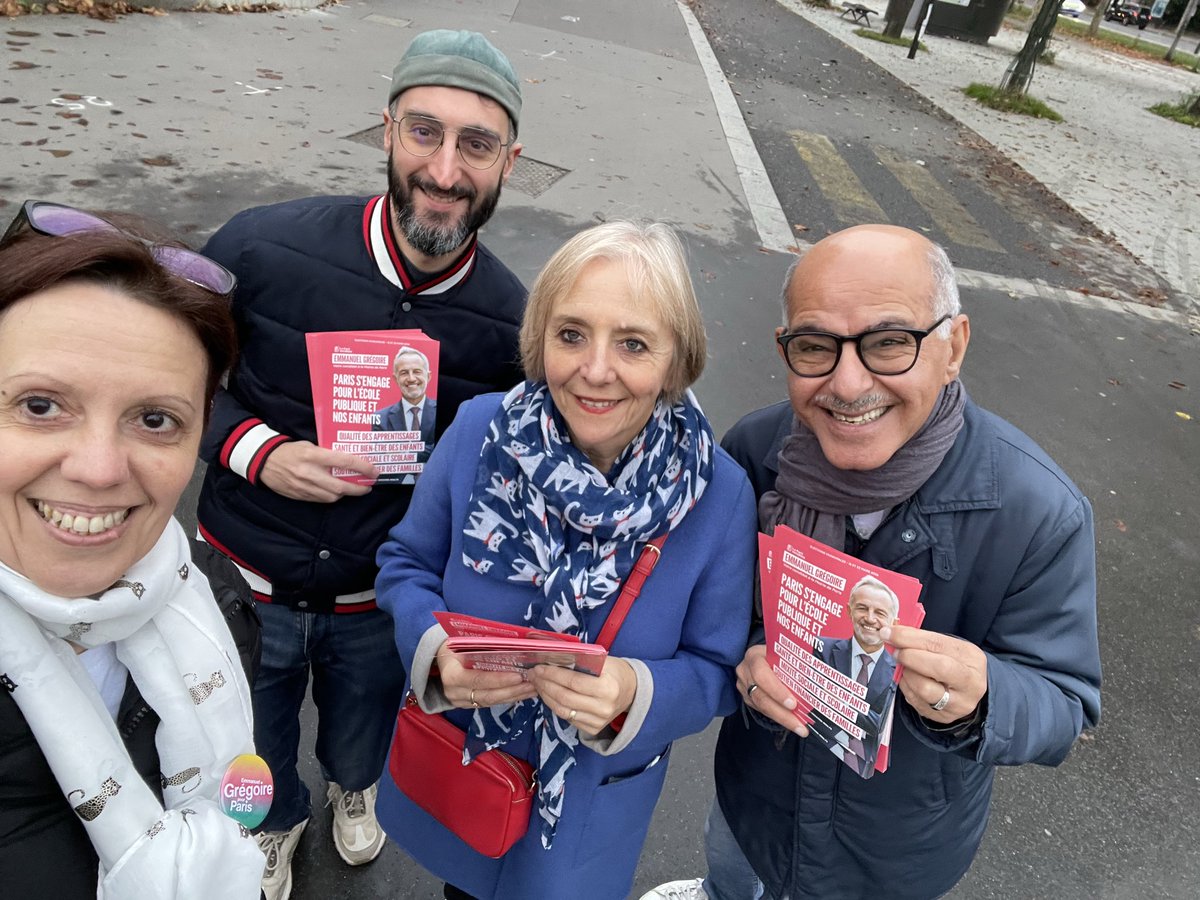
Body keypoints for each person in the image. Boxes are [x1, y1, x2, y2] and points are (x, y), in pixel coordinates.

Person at [644, 224, 1102, 900]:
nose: (848, 382)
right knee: (732, 873)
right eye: (815, 346)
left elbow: (1065, 700)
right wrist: (745, 652)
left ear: (954, 347)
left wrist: (983, 698)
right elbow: (717, 600)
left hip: (896, 848)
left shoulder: (1037, 511)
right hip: (756, 797)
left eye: (890, 342)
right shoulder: (754, 452)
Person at [194, 28, 528, 900]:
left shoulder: (513, 328)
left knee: (362, 729)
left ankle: (351, 786)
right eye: (425, 132)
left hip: (375, 601)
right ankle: (270, 824)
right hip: (242, 577)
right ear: (386, 131)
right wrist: (256, 451)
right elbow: (164, 379)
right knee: (246, 742)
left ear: (510, 163)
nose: (446, 171)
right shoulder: (261, 248)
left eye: (477, 145)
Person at [374, 221, 757, 900]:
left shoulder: (717, 494)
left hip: (585, 808)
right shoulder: (478, 432)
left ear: (675, 360)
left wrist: (633, 693)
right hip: (467, 767)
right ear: (541, 337)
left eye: (633, 343)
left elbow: (717, 670)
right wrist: (433, 650)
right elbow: (405, 564)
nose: (596, 369)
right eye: (571, 334)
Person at [0, 200, 264, 897]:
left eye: (154, 419)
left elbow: (244, 788)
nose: (98, 468)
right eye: (40, 405)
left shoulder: (213, 593)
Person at [809, 575, 900, 777]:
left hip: (869, 768)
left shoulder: (899, 668)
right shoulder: (822, 647)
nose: (869, 618)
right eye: (862, 608)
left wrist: (833, 694)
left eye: (880, 612)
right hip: (819, 744)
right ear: (849, 611)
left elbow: (877, 726)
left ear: (894, 622)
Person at [373, 346, 437, 446]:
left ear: (428, 376)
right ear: (395, 379)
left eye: (417, 371)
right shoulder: (380, 418)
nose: (411, 378)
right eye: (404, 373)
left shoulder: (441, 411)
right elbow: (381, 453)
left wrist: (399, 448)